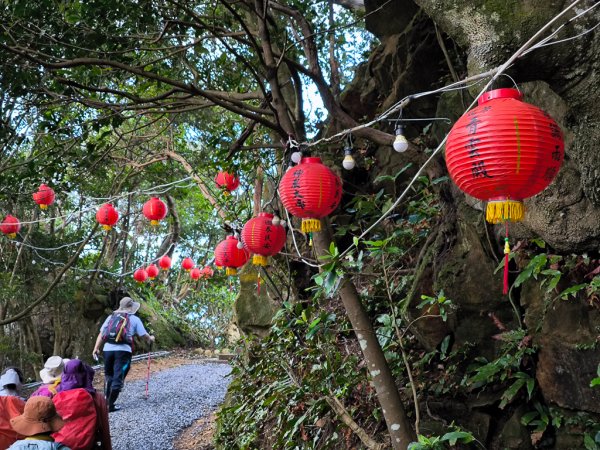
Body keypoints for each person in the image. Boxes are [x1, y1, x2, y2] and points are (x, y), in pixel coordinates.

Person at [92, 296, 155, 412]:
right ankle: (109, 405)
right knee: (118, 377)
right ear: (131, 307)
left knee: (109, 375)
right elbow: (143, 335)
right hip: (123, 352)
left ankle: (107, 401)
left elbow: (102, 334)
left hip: (107, 350)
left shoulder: (111, 317)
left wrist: (96, 348)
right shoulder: (134, 319)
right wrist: (151, 338)